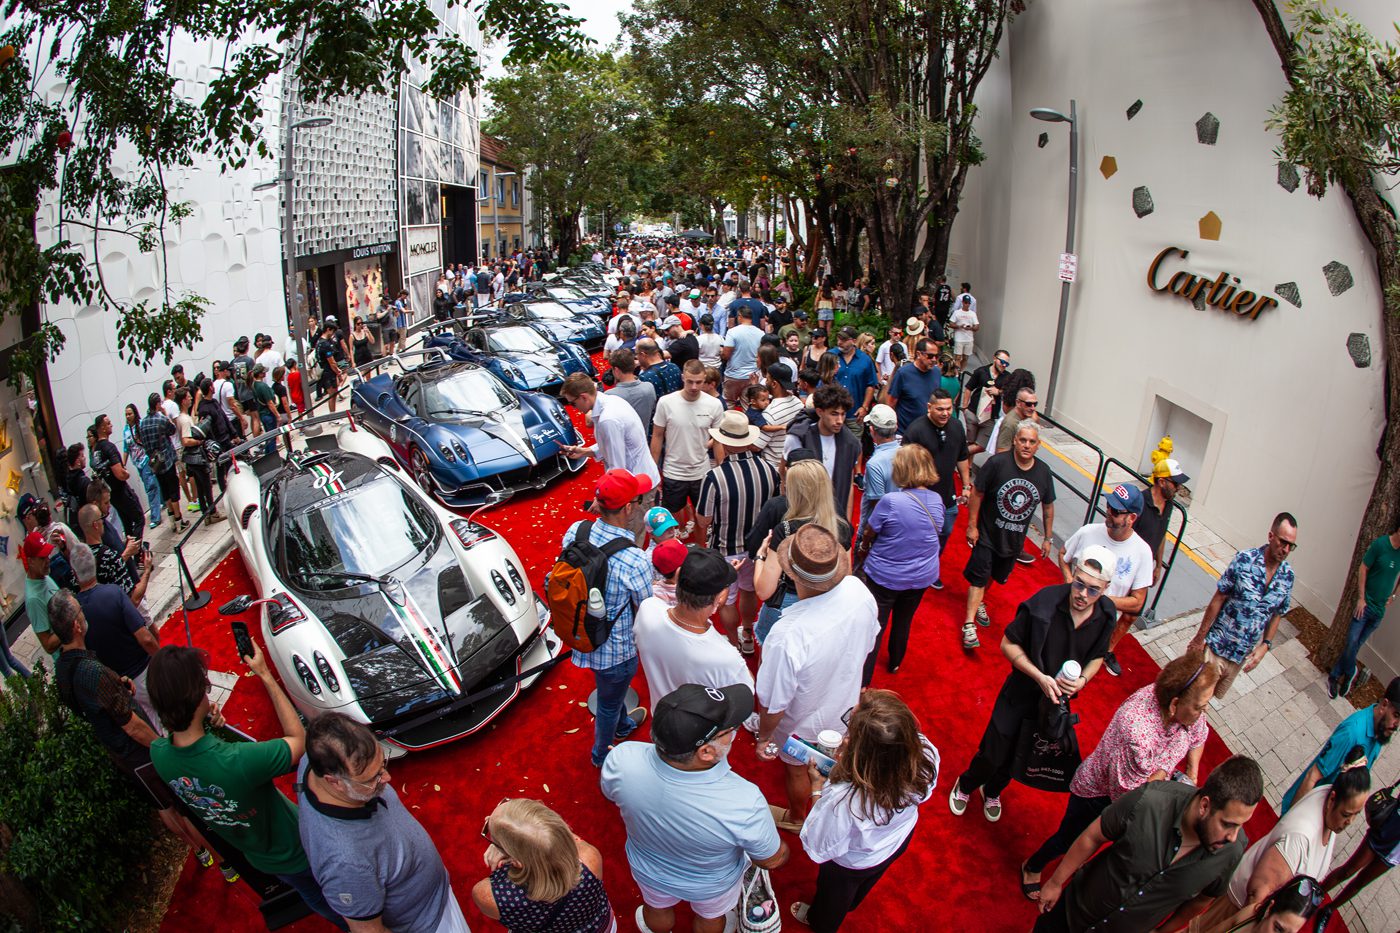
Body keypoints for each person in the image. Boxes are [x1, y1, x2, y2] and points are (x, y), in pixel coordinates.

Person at [146, 645, 347, 927]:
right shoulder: (236, 761)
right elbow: (298, 742)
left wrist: (211, 728)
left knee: (314, 897)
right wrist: (264, 674)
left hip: (261, 858)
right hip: (303, 846)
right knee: (349, 897)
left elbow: (205, 763)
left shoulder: (158, 753)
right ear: (198, 693)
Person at [1020, 651, 1221, 900]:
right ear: (1174, 704)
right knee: (1068, 839)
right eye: (1200, 707)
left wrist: (1190, 774)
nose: (1203, 713)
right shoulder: (1136, 730)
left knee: (1092, 844)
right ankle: (1033, 865)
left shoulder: (1186, 709)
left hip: (1143, 791)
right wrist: (1164, 777)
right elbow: (1132, 794)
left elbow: (1199, 734)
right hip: (1099, 795)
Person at [49, 589, 221, 875]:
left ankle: (200, 851)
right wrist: (163, 748)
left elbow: (87, 706)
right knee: (176, 804)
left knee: (160, 803)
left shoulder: (64, 668)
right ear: (77, 626)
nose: (84, 613)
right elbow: (131, 725)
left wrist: (119, 685)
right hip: (137, 751)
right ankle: (219, 857)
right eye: (81, 611)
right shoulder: (91, 671)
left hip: (119, 753)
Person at [602, 683, 790, 933]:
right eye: (730, 730)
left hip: (648, 869)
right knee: (711, 919)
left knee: (656, 910)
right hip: (712, 885)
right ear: (706, 751)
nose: (734, 733)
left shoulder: (620, 758)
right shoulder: (745, 802)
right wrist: (783, 850)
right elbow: (771, 859)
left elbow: (610, 793)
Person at [949, 548, 1117, 824]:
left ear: (1106, 589)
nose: (1083, 594)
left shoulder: (1107, 614)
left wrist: (1082, 681)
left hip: (1053, 704)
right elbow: (1007, 643)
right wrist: (1039, 676)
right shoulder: (1044, 605)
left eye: (1093, 590)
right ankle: (967, 784)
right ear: (1072, 574)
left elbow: (1098, 656)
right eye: (1079, 584)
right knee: (994, 748)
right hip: (1021, 691)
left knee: (1023, 753)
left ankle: (992, 791)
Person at [1034, 756, 1264, 933]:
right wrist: (1055, 882)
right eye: (1228, 824)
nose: (1233, 837)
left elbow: (1202, 899)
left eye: (1241, 826)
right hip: (1072, 912)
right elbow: (1093, 836)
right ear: (1205, 806)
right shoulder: (1149, 801)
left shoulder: (1232, 852)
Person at [755, 524, 880, 832]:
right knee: (834, 762)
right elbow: (868, 645)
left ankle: (798, 817)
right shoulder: (858, 591)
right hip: (846, 710)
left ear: (792, 574)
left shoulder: (787, 634)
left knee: (798, 771)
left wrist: (764, 737)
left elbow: (773, 704)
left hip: (801, 726)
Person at [297, 713, 471, 933]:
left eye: (383, 764)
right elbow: (369, 930)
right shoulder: (345, 863)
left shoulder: (313, 761)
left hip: (434, 901)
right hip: (427, 925)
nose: (387, 778)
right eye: (372, 778)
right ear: (334, 782)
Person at [793, 690, 940, 931]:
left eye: (851, 731)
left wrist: (817, 788)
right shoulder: (926, 754)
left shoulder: (845, 798)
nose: (846, 736)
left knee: (833, 900)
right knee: (864, 884)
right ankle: (852, 902)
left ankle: (820, 922)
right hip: (897, 840)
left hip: (852, 861)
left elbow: (817, 843)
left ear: (864, 752)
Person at [1194, 766, 1370, 933]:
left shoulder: (1330, 806)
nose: (1350, 822)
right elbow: (1257, 895)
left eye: (1356, 814)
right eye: (1346, 814)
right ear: (1332, 799)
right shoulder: (1299, 838)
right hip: (1237, 909)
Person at [562, 470, 656, 767]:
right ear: (628, 508)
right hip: (616, 649)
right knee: (608, 702)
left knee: (609, 694)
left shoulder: (576, 531)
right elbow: (646, 609)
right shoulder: (635, 559)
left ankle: (622, 723)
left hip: (580, 630)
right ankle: (601, 753)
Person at [962, 421, 1056, 648]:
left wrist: (1047, 538)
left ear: (1038, 445)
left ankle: (980, 601)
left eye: (1031, 442)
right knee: (979, 577)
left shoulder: (1043, 472)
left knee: (995, 576)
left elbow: (1048, 506)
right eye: (1022, 440)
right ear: (1014, 440)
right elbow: (977, 494)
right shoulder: (997, 464)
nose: (1026, 445)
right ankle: (969, 625)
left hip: (1013, 541)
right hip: (987, 533)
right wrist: (972, 526)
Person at [856, 445, 945, 683]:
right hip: (922, 575)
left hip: (886, 574)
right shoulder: (936, 500)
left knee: (875, 624)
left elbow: (869, 531)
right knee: (904, 620)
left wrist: (863, 550)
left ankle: (863, 680)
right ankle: (895, 662)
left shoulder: (891, 501)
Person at [1187, 513, 1298, 698]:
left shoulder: (1288, 577)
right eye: (1282, 542)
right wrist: (1200, 638)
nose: (1286, 549)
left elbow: (1278, 612)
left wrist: (1266, 645)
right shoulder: (1245, 560)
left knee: (1209, 699)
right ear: (1271, 536)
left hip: (1239, 657)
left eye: (1291, 546)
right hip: (1217, 647)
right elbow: (1219, 597)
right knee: (1196, 697)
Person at [695, 410, 779, 654]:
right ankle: (748, 634)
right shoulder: (768, 469)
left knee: (728, 599)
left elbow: (703, 519)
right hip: (756, 549)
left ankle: (733, 643)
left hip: (726, 549)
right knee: (750, 591)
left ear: (723, 441)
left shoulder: (714, 477)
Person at [749, 457, 854, 645]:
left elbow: (764, 590)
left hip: (787, 606)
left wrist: (760, 556)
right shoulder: (841, 528)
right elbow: (845, 576)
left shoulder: (786, 530)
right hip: (825, 605)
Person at [635, 548, 753, 713]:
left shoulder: (648, 609)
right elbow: (747, 692)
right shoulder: (727, 657)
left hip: (661, 716)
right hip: (703, 731)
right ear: (719, 598)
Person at [471, 799, 615, 933]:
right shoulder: (590, 858)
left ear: (516, 862)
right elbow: (563, 839)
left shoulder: (489, 895)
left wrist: (505, 846)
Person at [1059, 484, 1155, 678]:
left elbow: (1137, 602)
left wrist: (1101, 599)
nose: (1109, 512)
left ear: (1132, 518)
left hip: (1098, 627)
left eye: (1116, 511)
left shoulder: (1142, 552)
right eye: (1109, 506)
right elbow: (1063, 554)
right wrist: (1071, 582)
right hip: (1067, 614)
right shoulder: (1088, 532)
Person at [69, 541, 162, 731]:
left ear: (74, 572)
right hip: (142, 673)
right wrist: (162, 659)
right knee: (164, 717)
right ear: (94, 565)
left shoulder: (75, 613)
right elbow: (145, 638)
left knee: (147, 727)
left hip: (115, 686)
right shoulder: (113, 593)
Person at [1280, 676, 1398, 812]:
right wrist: (1291, 818)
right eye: (1396, 715)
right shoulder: (1351, 733)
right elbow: (1313, 776)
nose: (1397, 725)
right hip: (1306, 810)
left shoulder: (1380, 733)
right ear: (1384, 705)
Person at [1328, 521, 1400, 698]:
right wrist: (1361, 598)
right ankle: (1351, 670)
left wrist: (1394, 595)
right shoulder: (1381, 544)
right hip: (1365, 606)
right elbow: (1363, 567)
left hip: (1378, 613)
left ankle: (1336, 676)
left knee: (1355, 646)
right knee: (1351, 641)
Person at [559, 373, 661, 495]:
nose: (574, 408)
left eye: (573, 403)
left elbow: (617, 468)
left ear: (584, 397)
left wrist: (602, 497)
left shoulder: (608, 419)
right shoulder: (612, 401)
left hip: (636, 488)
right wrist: (585, 452)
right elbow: (615, 444)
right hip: (640, 480)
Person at [652, 360, 724, 527]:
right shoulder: (666, 402)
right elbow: (657, 436)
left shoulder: (714, 404)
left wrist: (721, 471)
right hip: (673, 472)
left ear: (705, 379)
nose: (693, 386)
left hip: (702, 472)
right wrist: (653, 470)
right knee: (674, 517)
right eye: (689, 381)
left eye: (698, 382)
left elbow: (719, 440)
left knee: (703, 520)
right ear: (683, 378)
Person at [902, 388, 971, 556]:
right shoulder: (915, 430)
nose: (945, 413)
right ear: (929, 407)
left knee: (945, 532)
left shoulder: (956, 426)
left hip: (948, 496)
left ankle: (932, 562)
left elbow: (962, 456)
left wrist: (966, 486)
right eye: (940, 409)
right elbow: (905, 466)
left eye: (949, 408)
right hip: (921, 498)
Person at [1311, 804, 1400, 931]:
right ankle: (1314, 895)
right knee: (1348, 871)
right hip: (1385, 831)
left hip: (1395, 853)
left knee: (1360, 883)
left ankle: (1329, 909)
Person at [784, 384, 861, 517]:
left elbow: (848, 485)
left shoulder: (850, 443)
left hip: (835, 514)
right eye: (834, 414)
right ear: (820, 412)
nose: (840, 421)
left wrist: (846, 523)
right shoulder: (798, 437)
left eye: (843, 414)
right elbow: (784, 474)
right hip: (805, 514)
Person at [1135, 457, 1189, 590]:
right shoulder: (1140, 502)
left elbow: (1161, 533)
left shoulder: (1169, 504)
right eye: (1175, 483)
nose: (1179, 488)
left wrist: (1158, 566)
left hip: (1145, 569)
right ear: (1162, 482)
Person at [89, 413, 146, 539]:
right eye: (108, 423)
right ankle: (137, 551)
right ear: (102, 428)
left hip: (112, 494)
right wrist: (126, 473)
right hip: (120, 491)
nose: (111, 425)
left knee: (126, 523)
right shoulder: (108, 447)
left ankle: (132, 549)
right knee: (138, 519)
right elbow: (120, 474)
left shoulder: (96, 449)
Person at [138, 393, 186, 530]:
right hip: (167, 460)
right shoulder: (161, 419)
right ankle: (179, 520)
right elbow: (172, 430)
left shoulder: (143, 423)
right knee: (173, 489)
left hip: (155, 462)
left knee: (164, 491)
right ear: (158, 404)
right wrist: (165, 415)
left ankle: (172, 520)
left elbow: (143, 442)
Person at [883, 337, 941, 434]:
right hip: (905, 432)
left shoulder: (936, 372)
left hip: (928, 431)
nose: (934, 360)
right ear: (919, 354)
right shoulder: (903, 373)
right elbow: (890, 402)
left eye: (937, 356)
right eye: (930, 356)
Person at [858, 405, 900, 534]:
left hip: (879, 531)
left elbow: (878, 507)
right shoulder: (907, 453)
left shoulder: (874, 464)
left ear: (871, 430)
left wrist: (865, 539)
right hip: (900, 524)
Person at [122, 403, 163, 529]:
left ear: (135, 413)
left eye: (130, 413)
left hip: (146, 460)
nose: (128, 416)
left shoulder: (141, 425)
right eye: (126, 414)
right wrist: (123, 464)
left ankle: (156, 517)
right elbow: (126, 448)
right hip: (137, 463)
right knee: (153, 484)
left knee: (150, 488)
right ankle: (163, 501)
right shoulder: (126, 430)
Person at [832, 326, 879, 437]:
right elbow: (822, 380)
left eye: (843, 340)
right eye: (838, 339)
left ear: (853, 341)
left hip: (854, 414)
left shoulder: (865, 359)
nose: (839, 342)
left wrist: (864, 407)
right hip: (832, 412)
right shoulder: (830, 356)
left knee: (855, 447)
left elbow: (871, 385)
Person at [759, 365, 806, 472]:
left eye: (767, 379)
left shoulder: (770, 413)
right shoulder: (798, 402)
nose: (765, 382)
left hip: (773, 468)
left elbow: (756, 446)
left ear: (774, 384)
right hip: (793, 465)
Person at [23, 532, 61, 659]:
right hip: (67, 658)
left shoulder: (42, 575)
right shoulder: (34, 599)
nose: (47, 561)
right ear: (30, 561)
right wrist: (71, 622)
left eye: (47, 556)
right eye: (42, 558)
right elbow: (48, 645)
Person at [721, 304, 765, 404]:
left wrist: (721, 353)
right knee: (749, 404)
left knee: (729, 403)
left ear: (739, 316)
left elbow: (726, 355)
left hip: (734, 375)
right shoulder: (761, 333)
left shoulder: (732, 332)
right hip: (752, 376)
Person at [607, 349, 658, 431]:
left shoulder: (609, 396)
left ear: (616, 370)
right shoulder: (649, 387)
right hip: (644, 439)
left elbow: (590, 422)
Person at [948, 294, 979, 365]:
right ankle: (957, 372)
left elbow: (977, 327)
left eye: (968, 303)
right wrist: (959, 326)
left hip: (969, 339)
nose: (967, 304)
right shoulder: (957, 313)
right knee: (958, 357)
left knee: (965, 358)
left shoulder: (972, 314)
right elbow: (951, 324)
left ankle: (961, 371)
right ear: (962, 302)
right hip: (959, 338)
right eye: (965, 302)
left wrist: (970, 328)